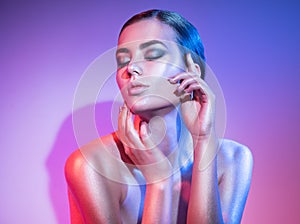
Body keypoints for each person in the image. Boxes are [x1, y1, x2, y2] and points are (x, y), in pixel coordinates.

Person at [65, 9, 253, 224]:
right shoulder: (92, 165)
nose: (131, 68)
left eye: (153, 54)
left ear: (193, 69)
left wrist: (203, 141)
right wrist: (159, 180)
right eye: (123, 60)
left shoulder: (233, 159)